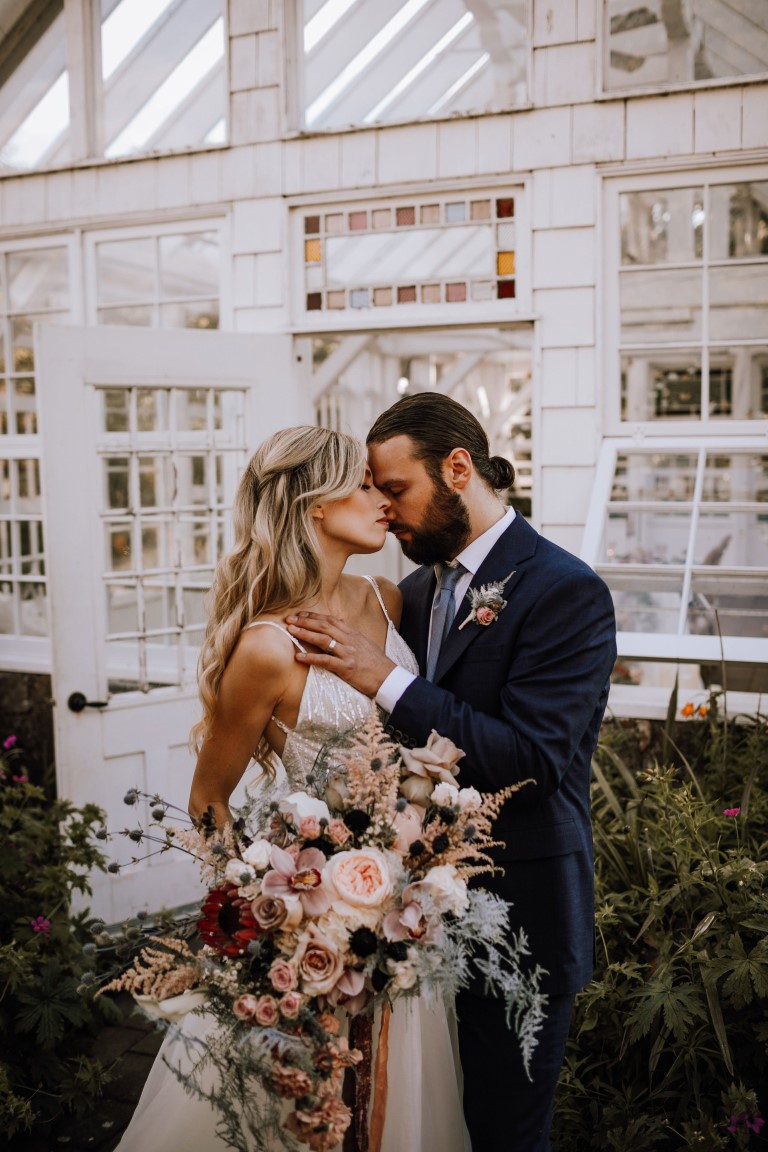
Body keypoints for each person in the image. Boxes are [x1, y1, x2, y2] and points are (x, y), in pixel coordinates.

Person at [116, 426, 467, 1152]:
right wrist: (260, 911)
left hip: (405, 916)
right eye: (365, 486)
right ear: (313, 506)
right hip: (313, 925)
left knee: (397, 1106)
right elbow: (207, 800)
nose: (383, 501)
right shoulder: (267, 647)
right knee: (305, 1114)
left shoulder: (386, 600)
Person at [284, 393, 618, 1152]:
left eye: (395, 489)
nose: (386, 510)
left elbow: (532, 760)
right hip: (412, 922)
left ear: (458, 468)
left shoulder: (564, 590)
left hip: (522, 919)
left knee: (504, 1134)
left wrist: (383, 679)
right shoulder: (422, 589)